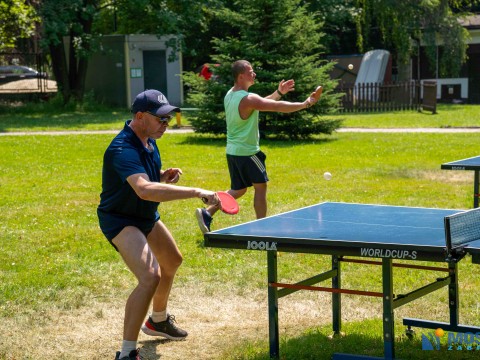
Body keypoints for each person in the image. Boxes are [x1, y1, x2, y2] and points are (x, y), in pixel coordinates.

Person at [97, 89, 220, 360]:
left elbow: (145, 178)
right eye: (161, 119)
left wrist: (162, 175)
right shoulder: (121, 148)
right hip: (120, 219)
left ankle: (158, 321)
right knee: (150, 277)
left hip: (145, 215)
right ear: (140, 116)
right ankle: (127, 353)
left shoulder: (149, 140)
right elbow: (144, 189)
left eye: (167, 119)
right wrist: (196, 191)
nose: (166, 124)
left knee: (172, 261)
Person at [196, 59, 322, 233]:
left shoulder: (230, 94)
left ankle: (207, 213)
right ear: (241, 76)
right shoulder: (248, 98)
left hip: (233, 152)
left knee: (238, 189)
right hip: (249, 153)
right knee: (261, 187)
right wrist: (305, 104)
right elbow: (276, 107)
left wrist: (279, 91)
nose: (254, 74)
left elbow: (262, 102)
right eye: (250, 72)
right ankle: (262, 227)